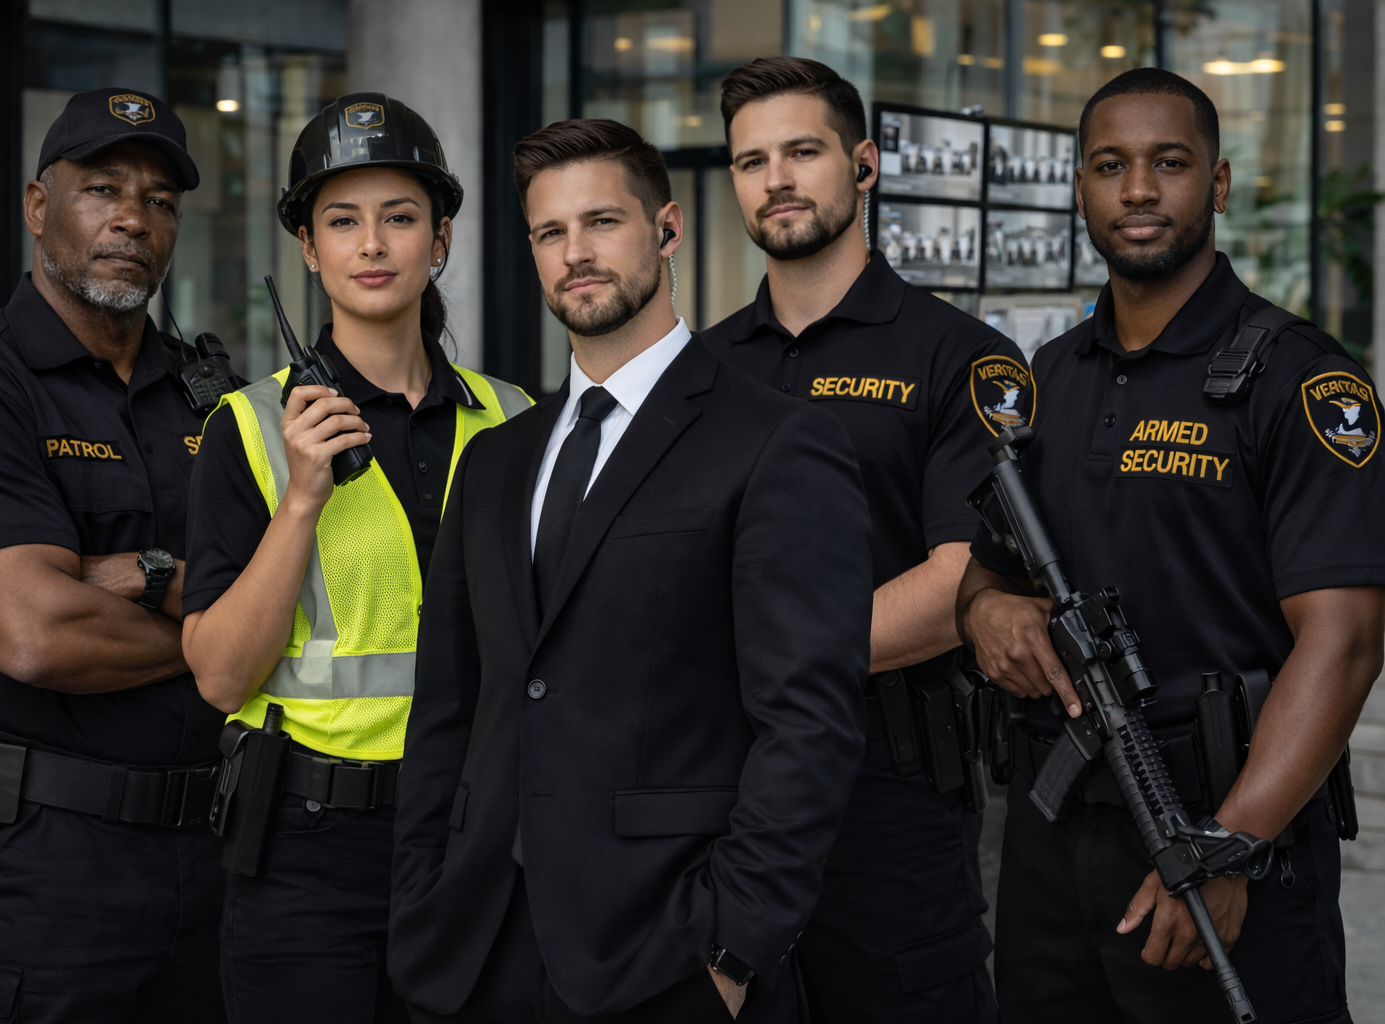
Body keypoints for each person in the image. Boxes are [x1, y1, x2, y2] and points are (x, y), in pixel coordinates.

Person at [389, 118, 873, 1023]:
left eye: (602, 222)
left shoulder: (774, 442)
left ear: (667, 227)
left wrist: (733, 949)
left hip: (669, 951)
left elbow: (810, 724)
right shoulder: (495, 459)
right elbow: (450, 706)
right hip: (473, 950)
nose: (576, 253)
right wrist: (421, 894)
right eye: (549, 233)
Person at [956, 68, 1384, 1023]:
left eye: (1170, 163)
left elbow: (1346, 640)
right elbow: (985, 575)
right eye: (1110, 166)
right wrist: (987, 614)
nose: (1138, 191)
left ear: (1218, 186)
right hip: (1050, 836)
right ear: (1081, 189)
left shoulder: (1300, 380)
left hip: (1225, 832)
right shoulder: (1050, 377)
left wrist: (1231, 845)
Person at [179, 93, 531, 1023]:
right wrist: (301, 500)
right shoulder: (250, 428)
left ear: (440, 238)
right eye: (342, 220)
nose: (372, 243)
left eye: (400, 217)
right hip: (307, 853)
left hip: (473, 834)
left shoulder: (515, 420)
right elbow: (218, 675)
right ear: (309, 248)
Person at [0, 89, 228, 1021]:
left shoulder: (214, 402)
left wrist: (131, 578)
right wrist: (225, 621)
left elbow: (300, 585)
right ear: (40, 208)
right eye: (101, 188)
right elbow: (38, 634)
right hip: (31, 880)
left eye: (158, 199)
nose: (131, 217)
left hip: (217, 871)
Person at [699, 56, 1024, 1021]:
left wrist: (759, 661)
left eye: (803, 151)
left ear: (866, 164)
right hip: (723, 791)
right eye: (752, 161)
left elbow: (958, 582)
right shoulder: (703, 368)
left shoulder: (957, 354)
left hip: (889, 799)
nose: (777, 180)